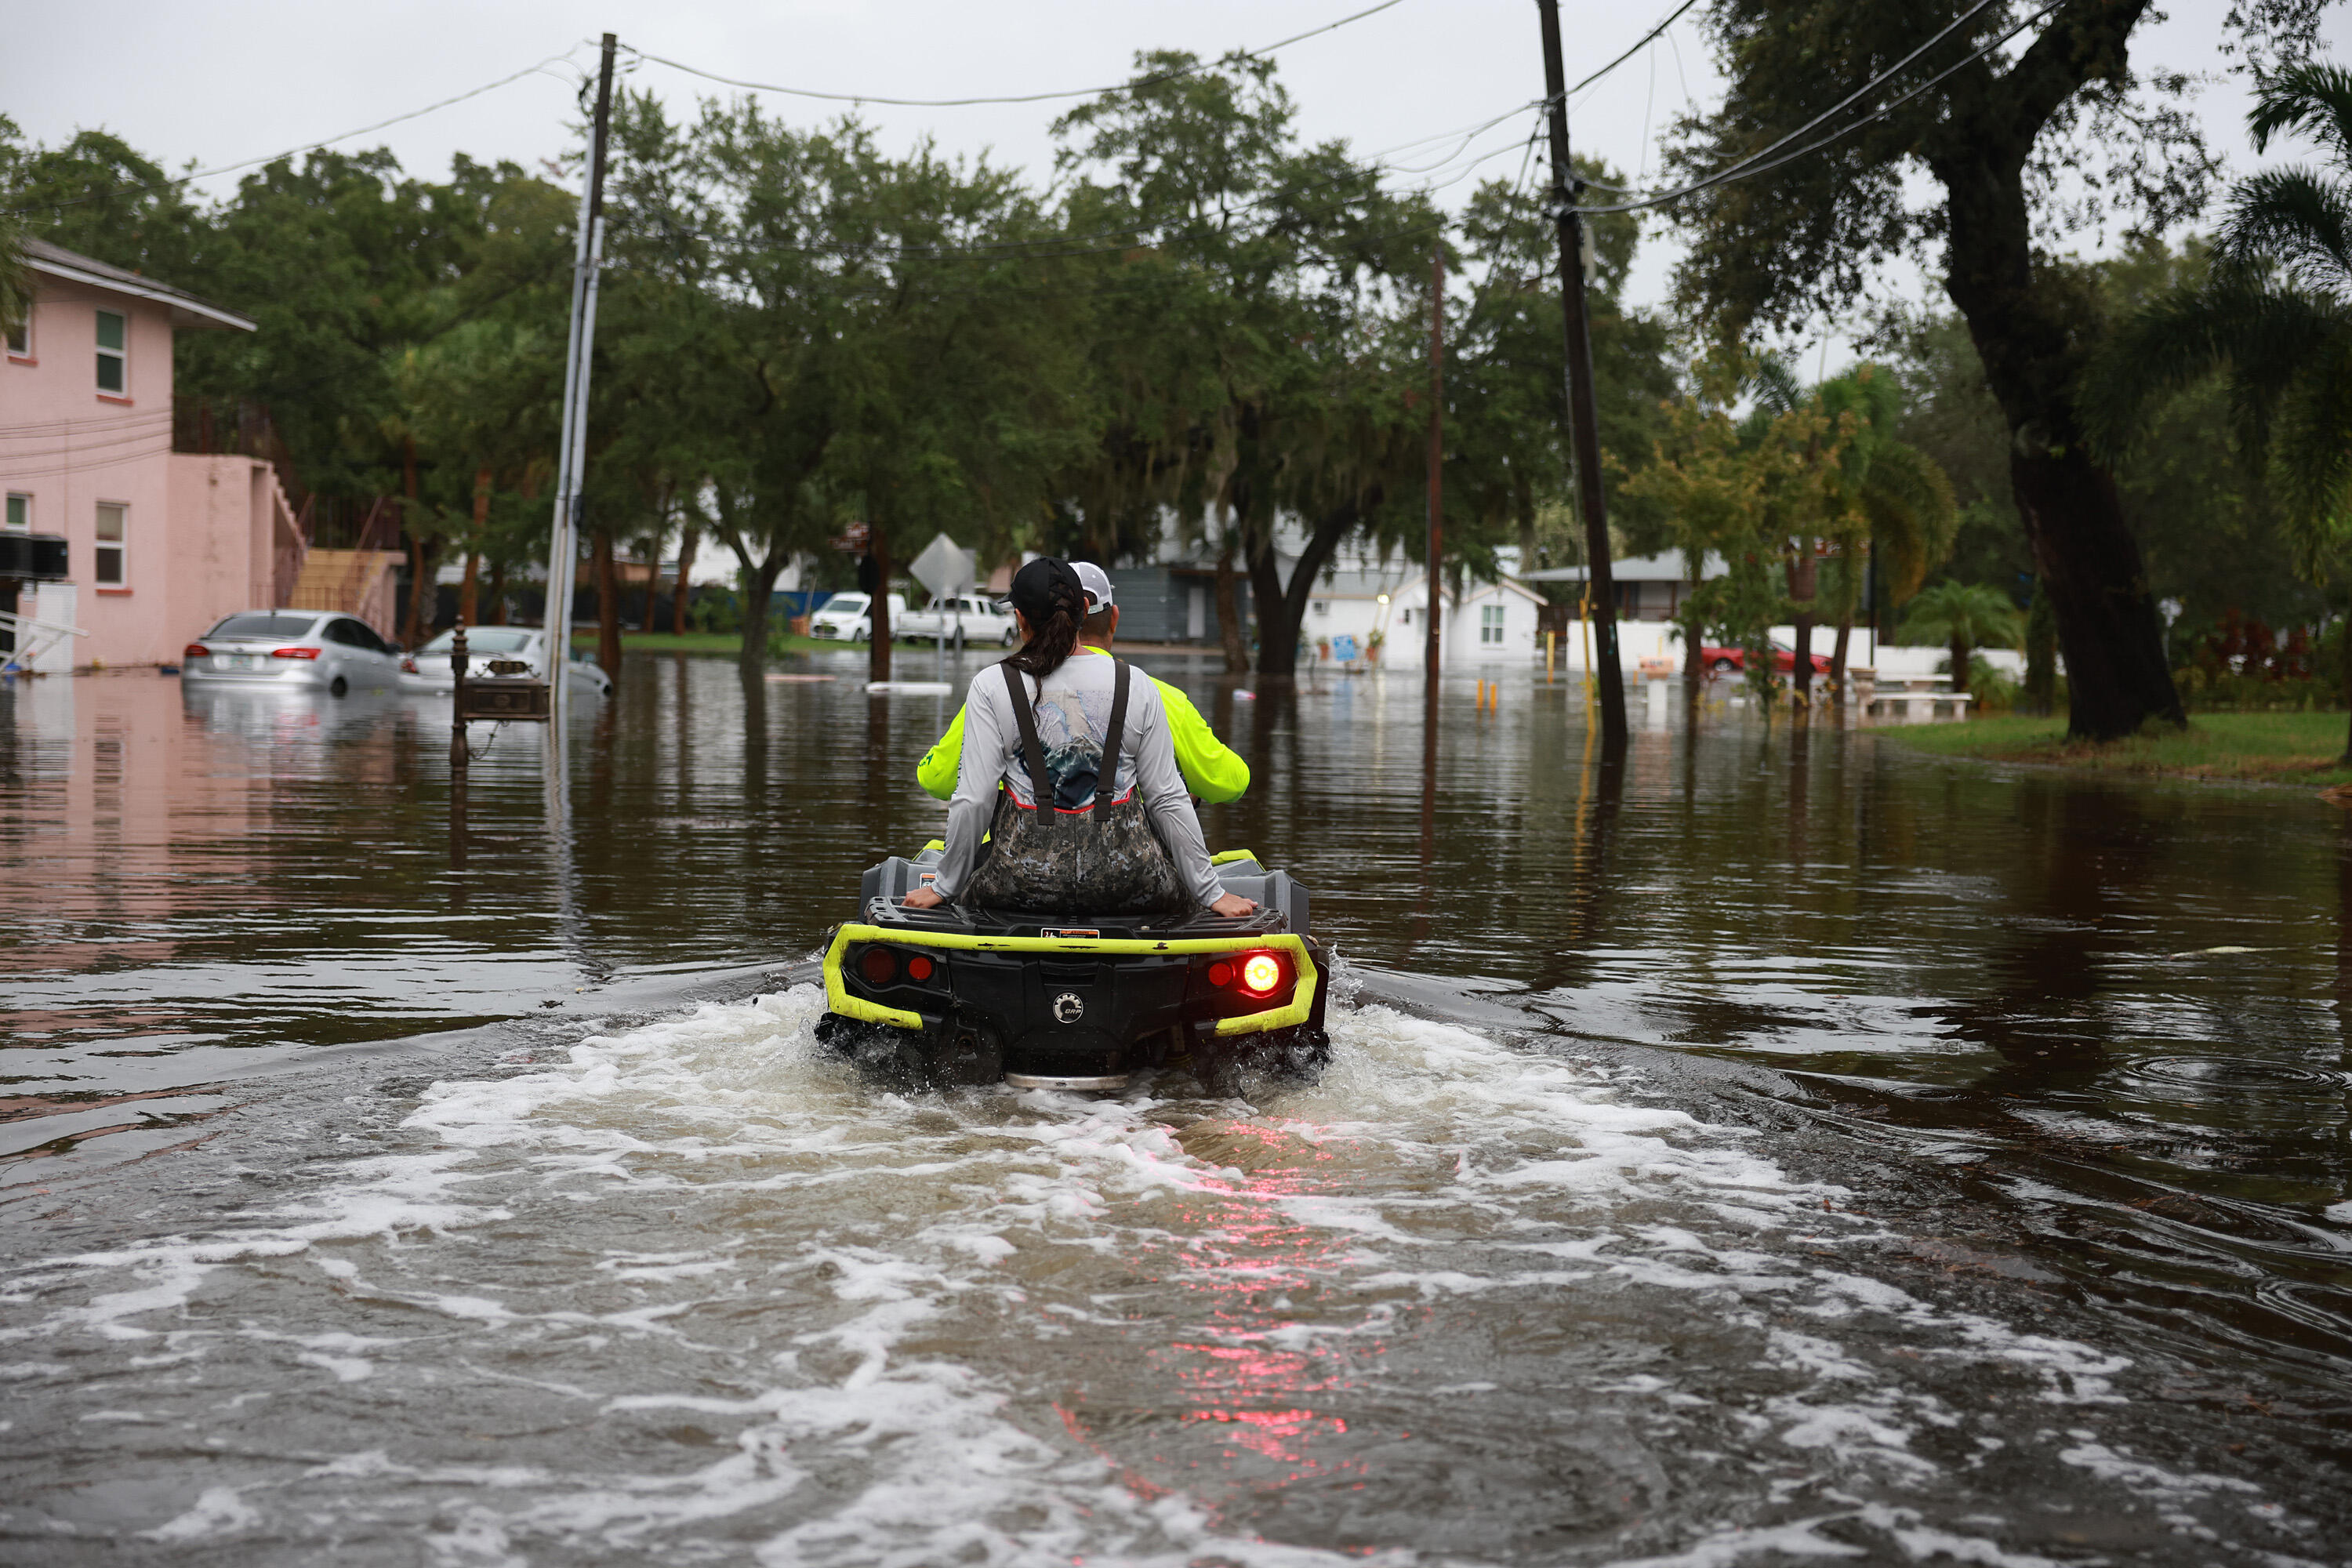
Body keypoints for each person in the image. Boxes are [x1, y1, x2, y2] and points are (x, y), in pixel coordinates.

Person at [902, 558, 1256, 918]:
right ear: (1084, 611)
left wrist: (943, 886)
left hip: (1018, 886)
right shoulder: (1138, 685)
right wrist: (1212, 894)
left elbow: (973, 799)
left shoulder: (992, 686)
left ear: (1020, 618)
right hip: (1130, 885)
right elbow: (1167, 798)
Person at [917, 561, 1248, 806]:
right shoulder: (1157, 694)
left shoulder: (999, 690)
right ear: (1113, 618)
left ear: (1027, 619)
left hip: (1014, 868)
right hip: (1130, 871)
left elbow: (938, 779)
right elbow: (1231, 784)